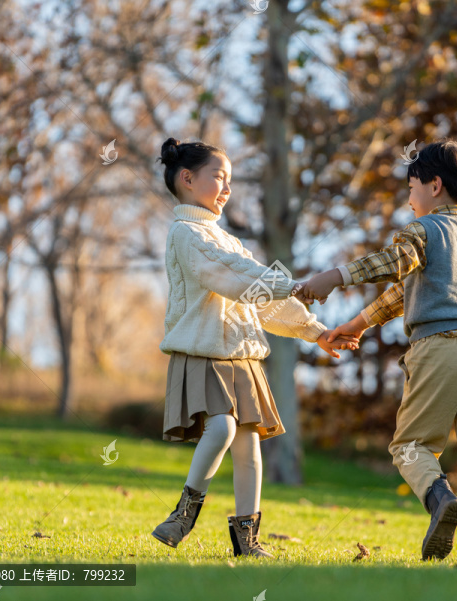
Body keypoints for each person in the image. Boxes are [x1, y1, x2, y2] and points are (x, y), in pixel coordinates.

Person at [296, 139, 457, 563]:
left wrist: (334, 276)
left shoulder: (423, 229)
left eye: (410, 187)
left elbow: (397, 263)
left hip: (440, 348)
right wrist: (358, 324)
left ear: (434, 185)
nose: (409, 198)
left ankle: (440, 500)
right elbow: (407, 289)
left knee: (410, 446)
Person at [153, 137, 359, 558]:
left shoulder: (228, 240)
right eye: (219, 177)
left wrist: (314, 331)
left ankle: (247, 539)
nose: (227, 188)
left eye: (230, 180)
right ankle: (183, 513)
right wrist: (293, 284)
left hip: (243, 358)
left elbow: (261, 300)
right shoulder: (187, 234)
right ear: (188, 179)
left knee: (249, 448)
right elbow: (230, 276)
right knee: (224, 428)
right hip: (205, 354)